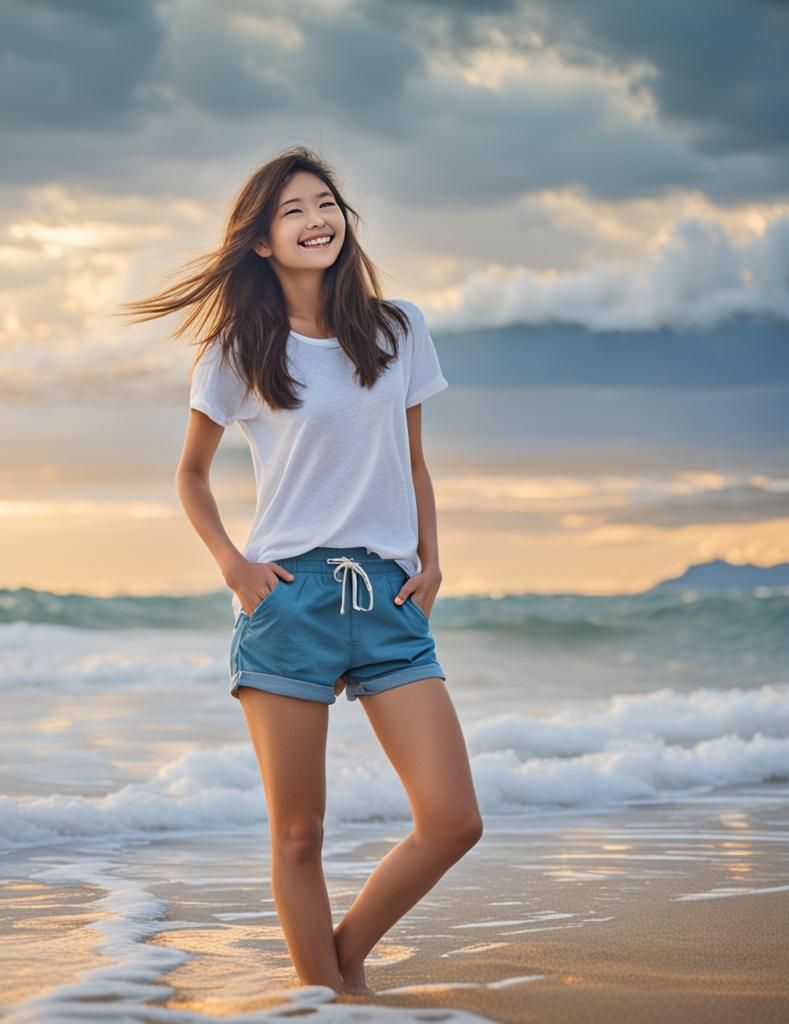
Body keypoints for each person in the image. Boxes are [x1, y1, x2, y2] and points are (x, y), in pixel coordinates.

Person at [117, 146, 483, 998]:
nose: (317, 219)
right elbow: (190, 474)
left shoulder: (399, 330)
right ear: (260, 241)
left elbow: (415, 462)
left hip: (389, 598)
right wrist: (233, 567)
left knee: (453, 820)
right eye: (294, 210)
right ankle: (330, 1000)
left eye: (327, 204)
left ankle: (339, 962)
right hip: (292, 601)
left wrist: (433, 560)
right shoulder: (241, 348)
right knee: (299, 836)